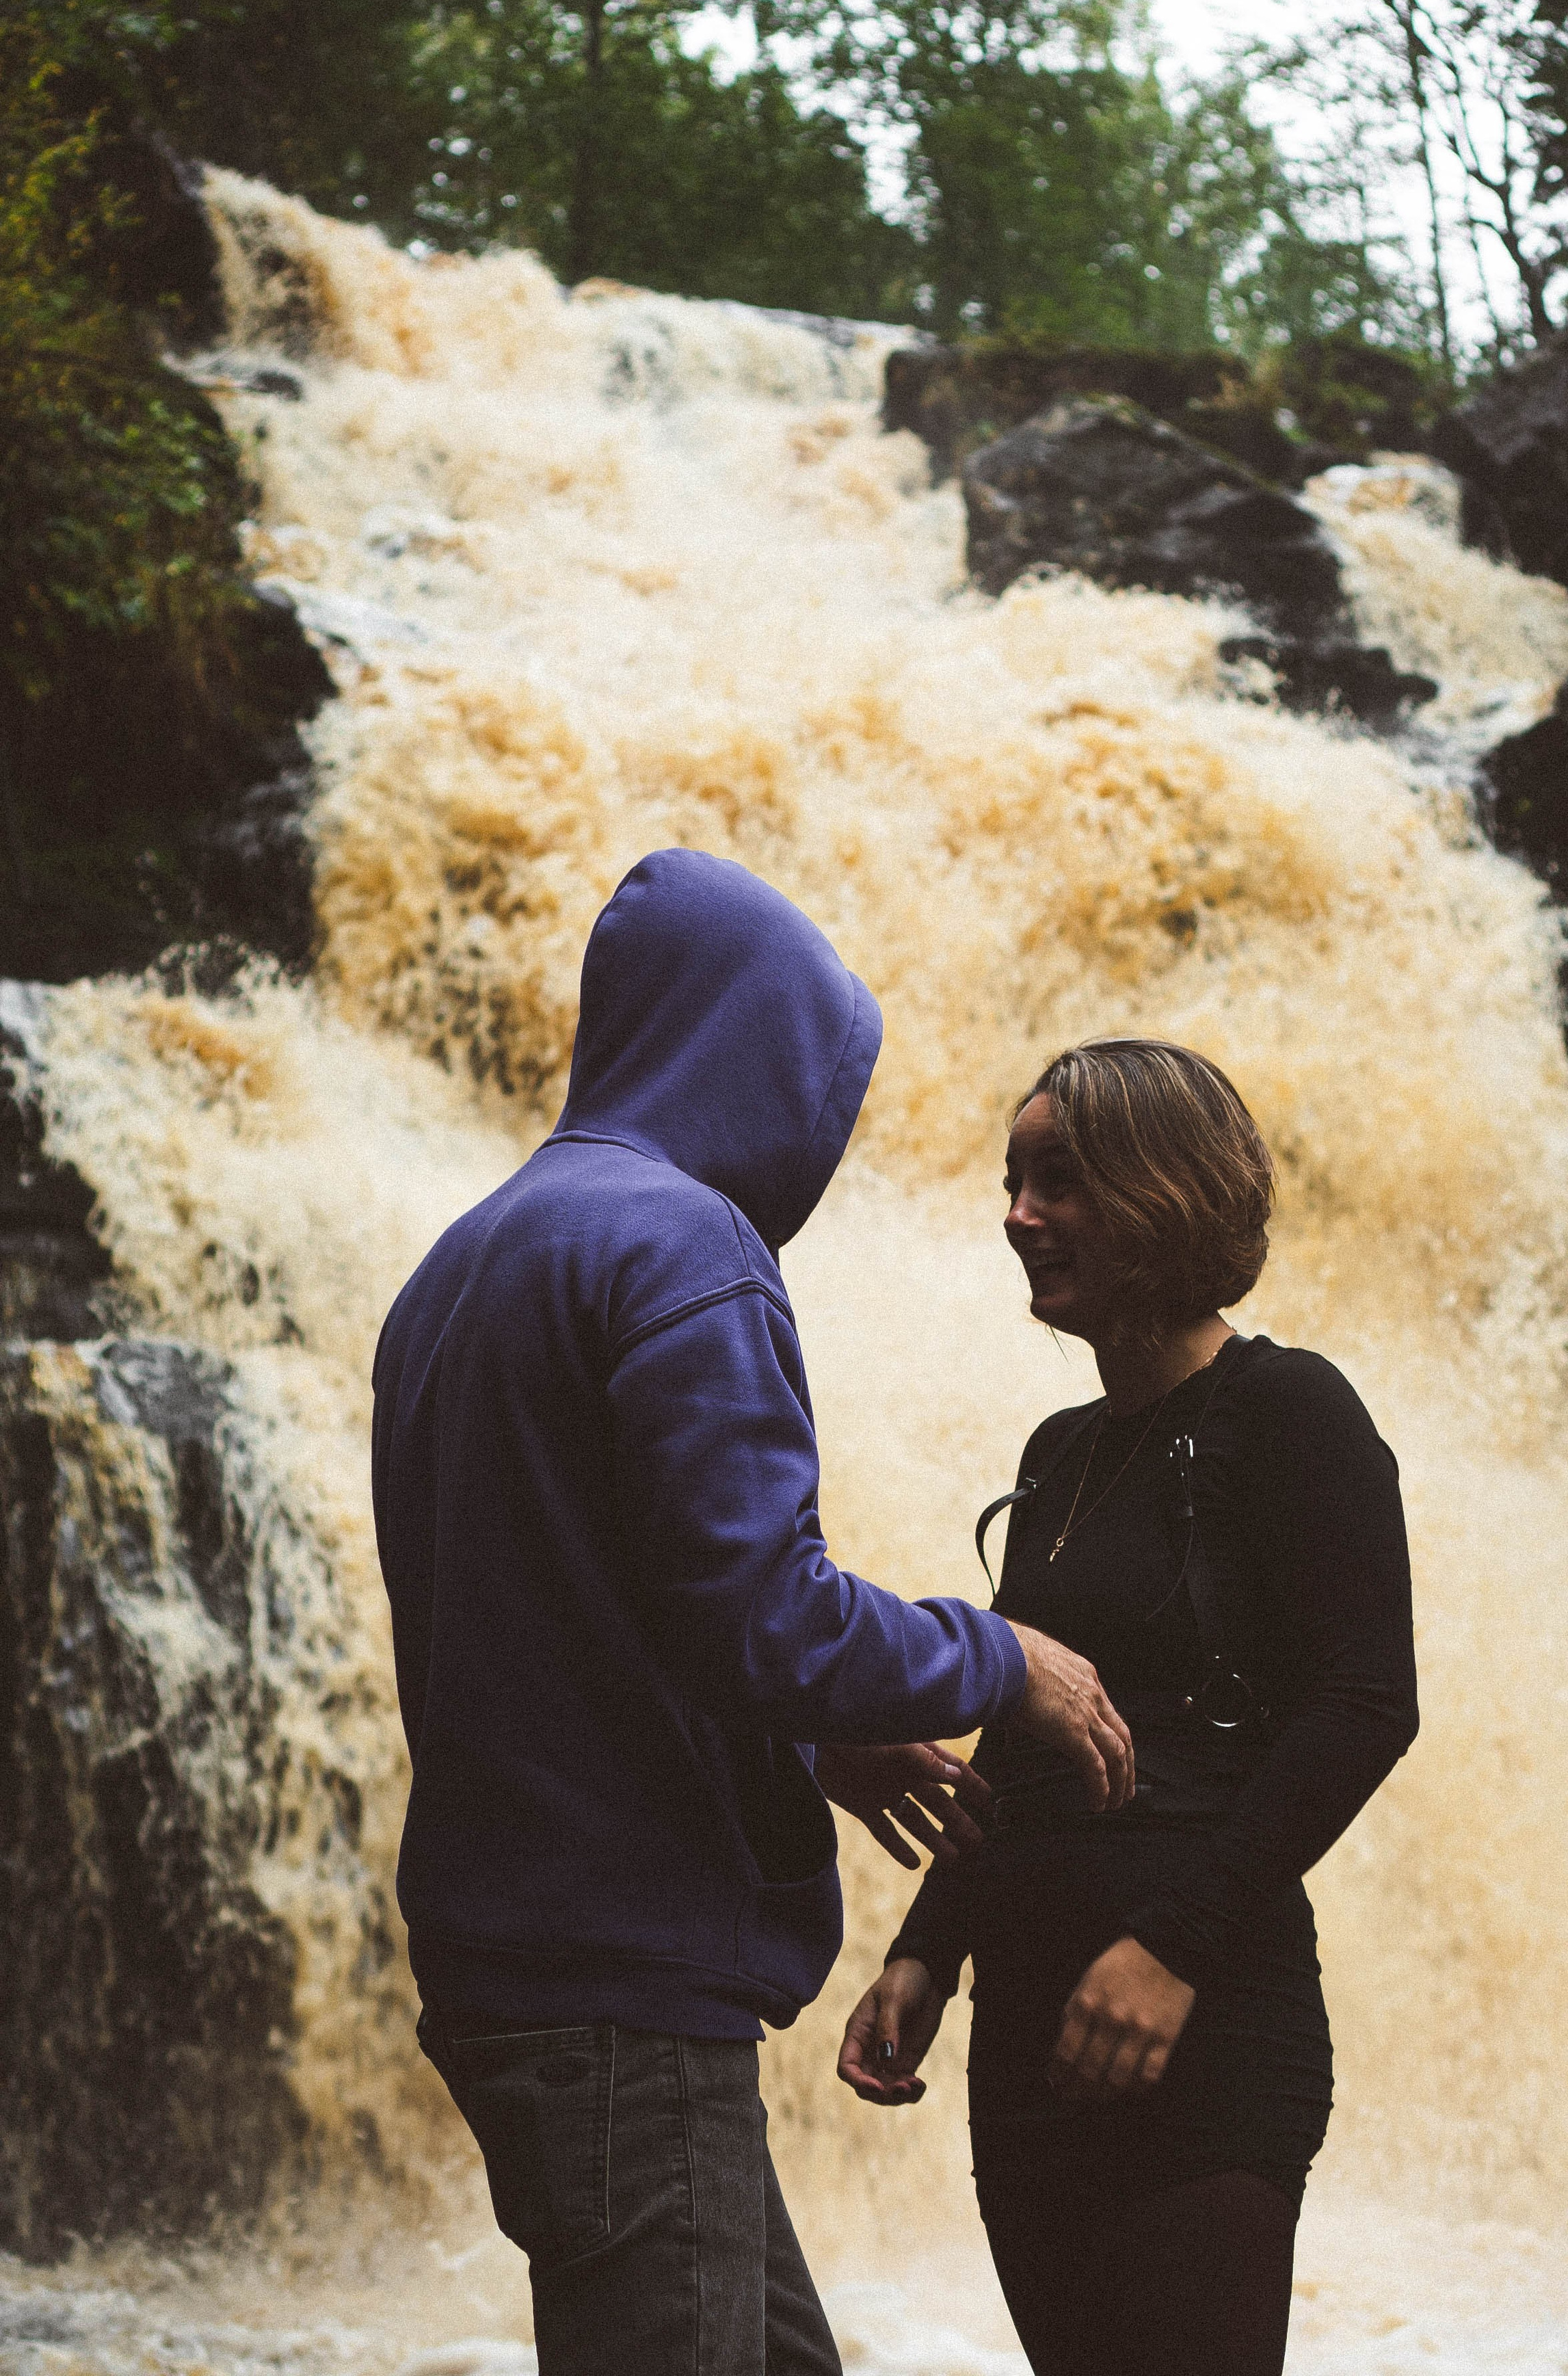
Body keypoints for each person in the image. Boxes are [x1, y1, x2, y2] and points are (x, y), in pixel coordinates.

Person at [371, 849, 1134, 2376]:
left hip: (517, 1957)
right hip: (619, 1979)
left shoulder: (466, 1257)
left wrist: (804, 1745)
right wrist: (1002, 1657)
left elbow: (574, 1612)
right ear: (754, 1053)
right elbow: (761, 1613)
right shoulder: (683, 1246)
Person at [837, 1038, 1419, 2376]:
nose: (1016, 1215)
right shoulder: (1056, 1456)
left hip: (1202, 2026)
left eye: (1058, 1181)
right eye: (1011, 1181)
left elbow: (1363, 1702)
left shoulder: (1288, 1411)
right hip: (1024, 2038)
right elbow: (1025, 1730)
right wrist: (930, 1948)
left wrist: (1171, 1945)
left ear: (1162, 1192)